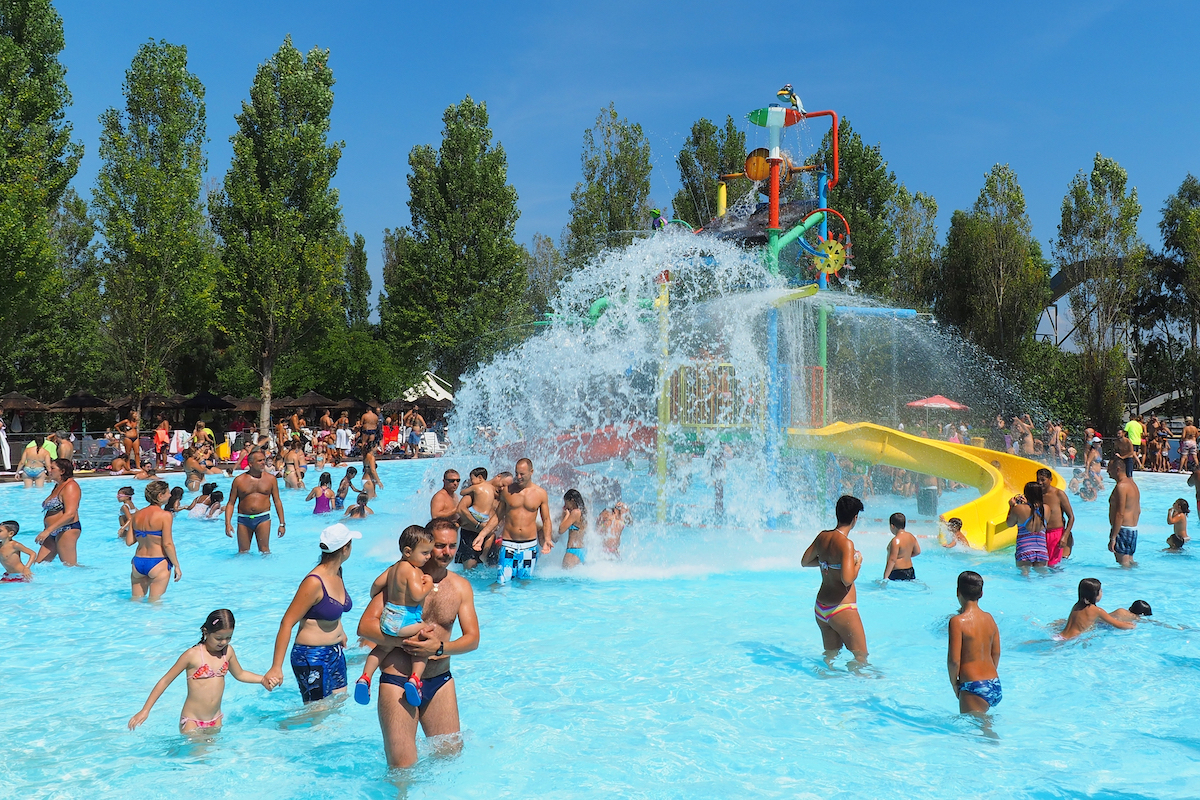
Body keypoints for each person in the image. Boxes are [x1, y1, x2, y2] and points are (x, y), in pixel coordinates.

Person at [356, 517, 480, 769]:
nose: (446, 552)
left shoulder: (460, 587)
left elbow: (472, 639)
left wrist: (439, 648)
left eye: (452, 546)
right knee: (402, 767)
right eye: (440, 545)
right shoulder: (402, 578)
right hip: (397, 681)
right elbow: (365, 626)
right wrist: (403, 642)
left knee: (450, 759)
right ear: (427, 544)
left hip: (439, 680)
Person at [128, 609, 268, 734]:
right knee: (198, 759)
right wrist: (145, 710)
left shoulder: (228, 652)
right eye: (219, 638)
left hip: (216, 719)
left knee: (212, 759)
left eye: (228, 637)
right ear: (206, 632)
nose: (223, 642)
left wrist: (262, 679)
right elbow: (165, 681)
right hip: (192, 722)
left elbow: (240, 674)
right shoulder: (192, 655)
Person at [263, 523, 360, 702]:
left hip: (335, 651)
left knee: (339, 702)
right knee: (317, 714)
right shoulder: (314, 582)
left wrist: (341, 631)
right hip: (311, 656)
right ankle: (280, 726)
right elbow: (287, 622)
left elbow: (331, 609)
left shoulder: (338, 571)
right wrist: (276, 667)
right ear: (345, 549)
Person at [355, 525, 436, 706]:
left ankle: (365, 678)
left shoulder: (393, 568)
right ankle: (415, 679)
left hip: (388, 617)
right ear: (408, 551)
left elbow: (376, 585)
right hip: (405, 619)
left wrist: (384, 595)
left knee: (382, 648)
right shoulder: (412, 570)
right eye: (424, 553)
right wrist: (428, 585)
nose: (428, 557)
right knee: (424, 639)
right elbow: (416, 595)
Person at [801, 495, 868, 665]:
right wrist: (857, 563)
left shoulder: (823, 536)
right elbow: (847, 580)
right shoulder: (846, 543)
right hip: (841, 608)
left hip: (821, 608)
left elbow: (805, 562)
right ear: (855, 518)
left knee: (829, 657)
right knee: (861, 659)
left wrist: (827, 564)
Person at [485, 458, 553, 584]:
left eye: (522, 474)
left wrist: (547, 539)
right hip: (508, 545)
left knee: (524, 584)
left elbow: (547, 519)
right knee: (501, 582)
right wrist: (482, 535)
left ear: (531, 472)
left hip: (529, 547)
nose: (518, 477)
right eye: (516, 473)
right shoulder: (507, 491)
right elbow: (497, 517)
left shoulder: (540, 493)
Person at [947, 570, 1001, 713]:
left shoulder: (957, 622)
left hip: (973, 685)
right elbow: (996, 653)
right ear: (981, 593)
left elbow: (954, 661)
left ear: (958, 592)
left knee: (975, 732)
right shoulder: (989, 618)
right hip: (994, 683)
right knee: (982, 726)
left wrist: (954, 683)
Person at [124, 481, 183, 601]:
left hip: (138, 562)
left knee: (135, 601)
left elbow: (129, 541)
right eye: (168, 493)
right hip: (158, 562)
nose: (170, 495)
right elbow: (167, 544)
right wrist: (177, 565)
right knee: (155, 603)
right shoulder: (165, 515)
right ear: (160, 495)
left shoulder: (136, 515)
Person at [225, 450, 286, 554]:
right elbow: (231, 503)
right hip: (244, 519)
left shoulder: (271, 479)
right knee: (243, 552)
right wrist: (228, 524)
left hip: (263, 517)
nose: (263, 462)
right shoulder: (239, 480)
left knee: (265, 551)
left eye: (264, 460)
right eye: (259, 461)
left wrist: (282, 524)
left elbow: (277, 501)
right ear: (251, 463)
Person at [33, 459, 82, 566]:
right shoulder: (58, 485)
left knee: (70, 566)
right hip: (52, 531)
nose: (48, 470)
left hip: (67, 529)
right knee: (38, 565)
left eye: (52, 468)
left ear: (62, 471)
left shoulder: (71, 486)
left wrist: (47, 531)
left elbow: (70, 514)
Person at [1060, 578, 1137, 639]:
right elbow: (1118, 625)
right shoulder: (1097, 611)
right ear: (1095, 594)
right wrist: (1133, 626)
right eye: (1101, 591)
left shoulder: (1077, 606)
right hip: (1071, 640)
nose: (1102, 593)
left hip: (1060, 636)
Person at [455, 467, 495, 568]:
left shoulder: (485, 490)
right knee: (470, 565)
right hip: (473, 529)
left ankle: (484, 554)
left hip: (481, 526)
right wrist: (477, 525)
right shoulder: (473, 494)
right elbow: (460, 509)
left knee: (491, 534)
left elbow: (461, 492)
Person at [1036, 468, 1075, 565]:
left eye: (1043, 480)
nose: (1040, 483)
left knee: (1054, 565)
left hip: (1056, 534)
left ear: (1050, 479)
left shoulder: (1058, 494)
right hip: (1041, 534)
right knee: (1041, 565)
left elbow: (1071, 517)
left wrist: (1065, 536)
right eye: (1038, 480)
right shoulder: (1037, 495)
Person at [1108, 458, 1141, 567]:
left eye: (1109, 468)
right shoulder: (1133, 485)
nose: (1107, 471)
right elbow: (1138, 510)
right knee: (1130, 562)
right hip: (1132, 530)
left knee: (1123, 565)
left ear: (1117, 469)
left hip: (1122, 529)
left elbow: (1120, 513)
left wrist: (1113, 537)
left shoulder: (1121, 486)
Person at [1009, 482, 1047, 574]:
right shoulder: (1047, 508)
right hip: (1041, 549)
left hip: (1025, 549)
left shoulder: (1019, 509)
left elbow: (1009, 524)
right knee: (1043, 576)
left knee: (1024, 578)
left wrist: (1011, 506)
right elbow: (1034, 511)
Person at [882, 512, 920, 581]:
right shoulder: (911, 536)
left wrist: (885, 577)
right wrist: (905, 555)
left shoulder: (896, 541)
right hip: (910, 570)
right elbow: (918, 551)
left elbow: (892, 560)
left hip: (897, 572)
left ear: (892, 526)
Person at [559, 489, 588, 568]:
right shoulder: (584, 510)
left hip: (572, 552)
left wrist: (566, 515)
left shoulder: (575, 513)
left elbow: (561, 530)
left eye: (566, 502)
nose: (565, 506)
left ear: (572, 500)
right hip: (582, 550)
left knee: (564, 579)